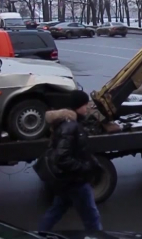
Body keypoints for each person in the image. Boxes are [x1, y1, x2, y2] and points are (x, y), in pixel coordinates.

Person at [38, 90, 103, 233]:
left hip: (68, 180)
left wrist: (93, 162)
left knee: (57, 210)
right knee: (92, 217)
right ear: (77, 106)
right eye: (85, 105)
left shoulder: (72, 124)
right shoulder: (70, 127)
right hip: (76, 181)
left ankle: (40, 234)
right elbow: (63, 157)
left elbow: (79, 150)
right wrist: (84, 167)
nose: (87, 108)